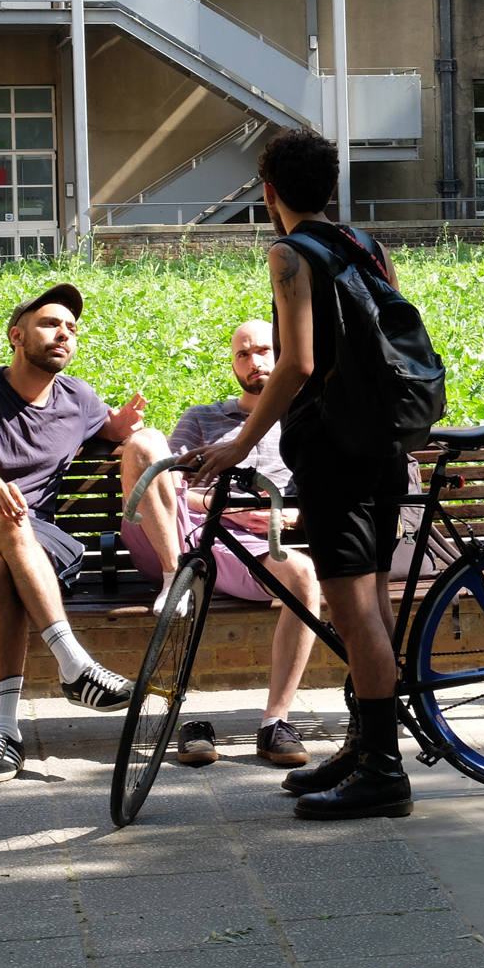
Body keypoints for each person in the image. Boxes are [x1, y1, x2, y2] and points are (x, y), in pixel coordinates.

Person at [186, 128, 413, 820]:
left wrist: (240, 443)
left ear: (269, 193)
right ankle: (358, 748)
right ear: (333, 188)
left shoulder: (289, 253)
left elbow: (298, 364)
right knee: (368, 605)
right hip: (383, 446)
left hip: (337, 456)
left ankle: (383, 770)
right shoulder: (367, 246)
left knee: (356, 613)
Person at [0, 283, 157, 785]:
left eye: (71, 328)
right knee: (5, 529)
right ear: (17, 334)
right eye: (51, 323)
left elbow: (111, 432)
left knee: (2, 562)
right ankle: (74, 664)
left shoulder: (79, 398)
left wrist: (121, 427)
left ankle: (3, 734)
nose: (63, 334)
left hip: (31, 546)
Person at [120, 320, 323, 767]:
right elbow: (169, 487)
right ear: (233, 363)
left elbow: (323, 493)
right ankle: (175, 578)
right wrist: (225, 507)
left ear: (283, 353)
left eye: (264, 351)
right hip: (176, 533)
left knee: (304, 576)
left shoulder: (307, 419)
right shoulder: (201, 418)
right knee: (146, 442)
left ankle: (275, 722)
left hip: (247, 546)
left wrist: (296, 515)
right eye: (243, 354)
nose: (254, 363)